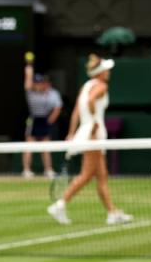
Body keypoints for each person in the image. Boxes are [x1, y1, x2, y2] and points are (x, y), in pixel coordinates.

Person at [47, 54, 133, 226]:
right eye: (106, 70)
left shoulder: (86, 86)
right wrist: (93, 123)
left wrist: (72, 133)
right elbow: (92, 101)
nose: (108, 72)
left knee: (101, 176)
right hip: (94, 133)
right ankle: (60, 204)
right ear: (100, 72)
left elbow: (77, 111)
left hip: (86, 131)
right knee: (87, 175)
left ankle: (112, 213)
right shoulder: (101, 86)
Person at [21, 60, 62, 179]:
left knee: (46, 146)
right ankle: (26, 170)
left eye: (41, 82)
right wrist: (29, 68)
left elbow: (57, 107)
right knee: (29, 145)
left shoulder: (50, 93)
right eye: (37, 82)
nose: (39, 84)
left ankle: (48, 169)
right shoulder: (30, 92)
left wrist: (50, 120)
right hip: (33, 120)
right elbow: (28, 83)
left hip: (44, 120)